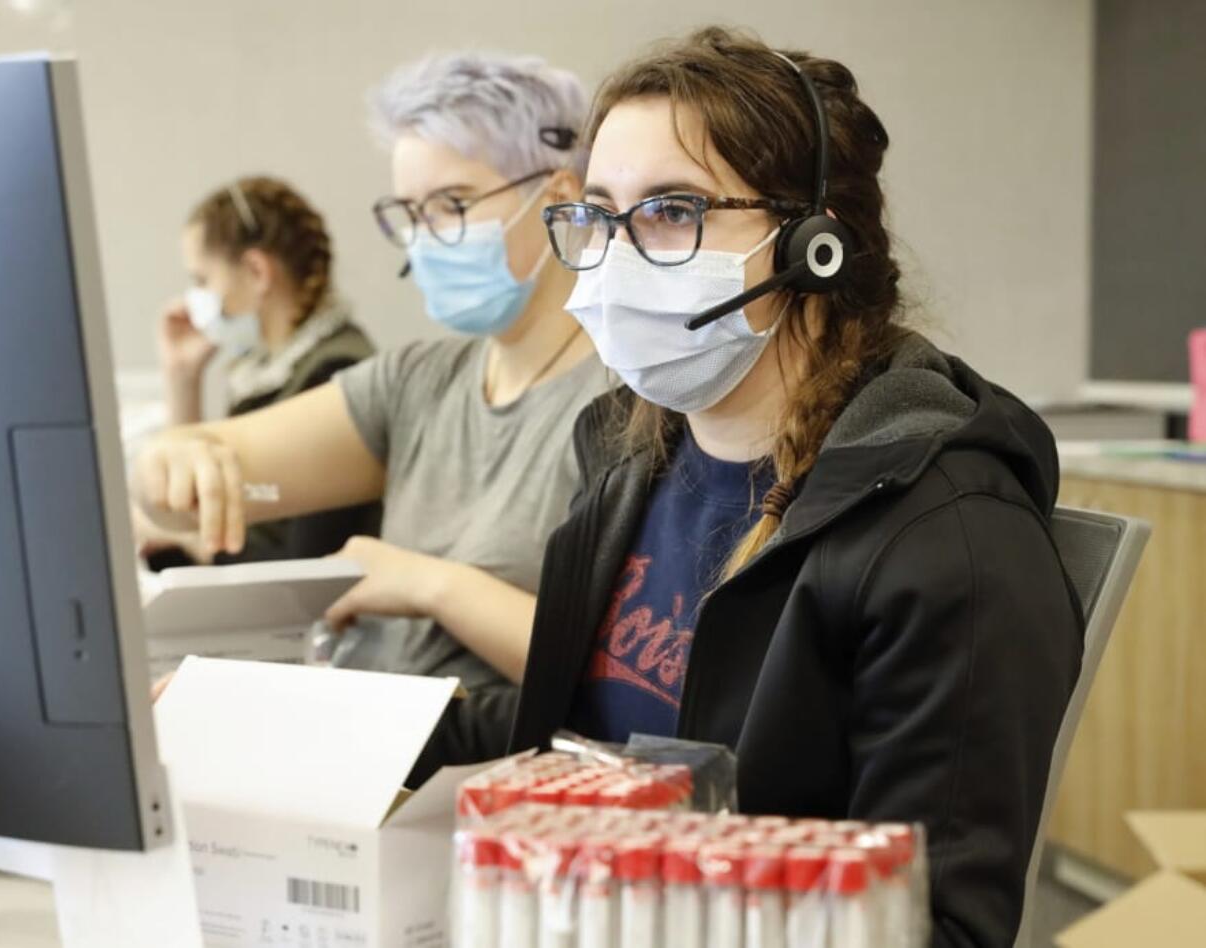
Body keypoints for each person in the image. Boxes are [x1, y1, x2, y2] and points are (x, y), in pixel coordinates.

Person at [508, 27, 1082, 947]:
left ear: (813, 245)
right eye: (599, 215)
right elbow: (581, 749)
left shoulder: (948, 538)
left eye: (671, 211)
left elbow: (943, 926)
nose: (613, 258)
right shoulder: (626, 456)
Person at [133, 52, 606, 771]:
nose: (424, 240)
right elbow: (189, 482)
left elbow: (627, 681)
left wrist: (429, 583)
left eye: (452, 205)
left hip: (490, 789)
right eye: (409, 215)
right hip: (366, 760)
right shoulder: (416, 382)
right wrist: (176, 457)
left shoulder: (626, 401)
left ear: (559, 194)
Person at [143, 177, 380, 565]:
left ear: (256, 271)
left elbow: (305, 558)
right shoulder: (267, 373)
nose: (195, 298)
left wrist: (189, 542)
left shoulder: (334, 372)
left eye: (202, 280)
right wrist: (183, 376)